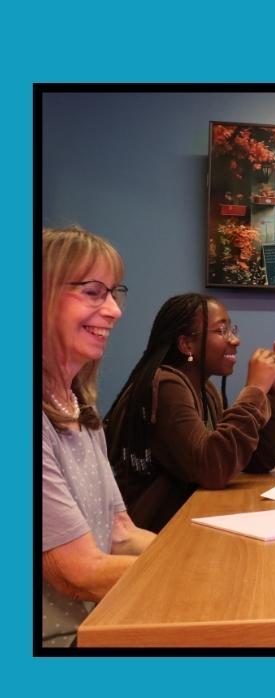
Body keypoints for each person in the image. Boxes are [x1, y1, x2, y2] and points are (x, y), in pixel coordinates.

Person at [42, 226, 155, 648]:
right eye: (92, 292)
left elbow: (120, 533)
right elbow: (78, 572)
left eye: (113, 293)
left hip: (98, 625)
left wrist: (204, 557)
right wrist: (192, 574)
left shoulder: (79, 410)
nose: (114, 311)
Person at [104, 293, 275, 532]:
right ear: (186, 344)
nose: (235, 340)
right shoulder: (166, 386)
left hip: (189, 521)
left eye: (232, 329)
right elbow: (212, 468)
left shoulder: (206, 391)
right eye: (221, 330)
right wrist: (255, 390)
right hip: (152, 537)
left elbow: (259, 461)